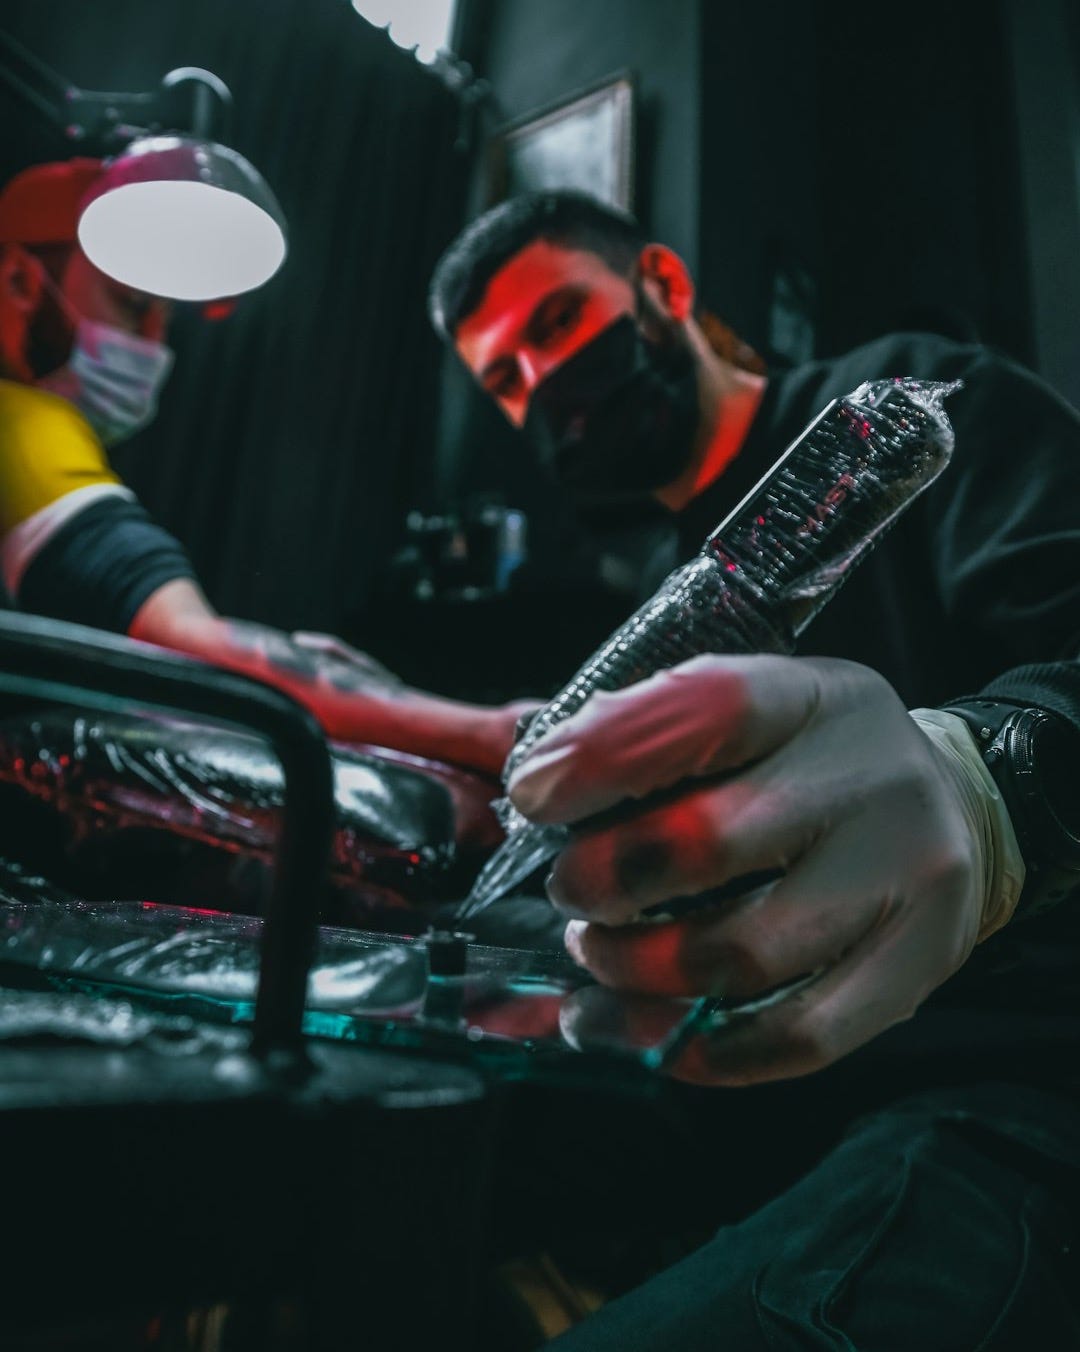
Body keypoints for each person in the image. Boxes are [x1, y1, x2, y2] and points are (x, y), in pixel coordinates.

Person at [429, 192, 1080, 1346]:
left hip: (1015, 1077)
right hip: (760, 1092)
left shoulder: (907, 412)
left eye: (560, 321)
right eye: (507, 380)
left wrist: (997, 784)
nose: (544, 384)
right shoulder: (663, 598)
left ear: (665, 289)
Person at [0, 158, 523, 773]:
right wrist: (494, 733)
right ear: (17, 281)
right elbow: (185, 646)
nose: (152, 346)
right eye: (131, 303)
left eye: (164, 320)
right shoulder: (21, 421)